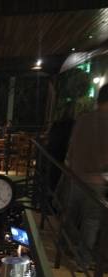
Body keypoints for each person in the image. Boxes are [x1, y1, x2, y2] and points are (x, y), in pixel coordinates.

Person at [66, 84, 108, 266]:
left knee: (72, 215)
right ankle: (82, 260)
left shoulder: (83, 119)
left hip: (76, 176)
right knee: (91, 221)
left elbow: (72, 148)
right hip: (96, 179)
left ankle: (65, 248)